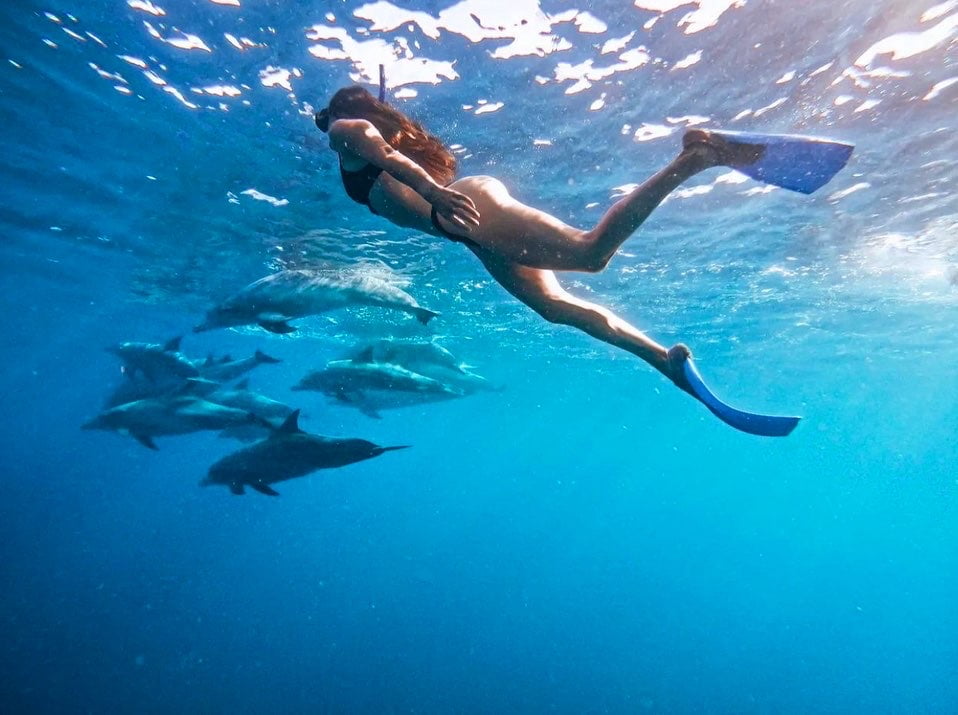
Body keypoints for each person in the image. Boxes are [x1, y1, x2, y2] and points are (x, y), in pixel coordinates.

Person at [313, 85, 851, 434]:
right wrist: (435, 199)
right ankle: (663, 360)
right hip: (465, 230)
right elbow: (388, 160)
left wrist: (433, 195)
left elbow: (384, 157)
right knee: (553, 306)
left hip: (464, 208)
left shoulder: (344, 129)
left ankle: (697, 157)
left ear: (348, 112)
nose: (329, 128)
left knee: (589, 255)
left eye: (333, 119)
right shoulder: (355, 137)